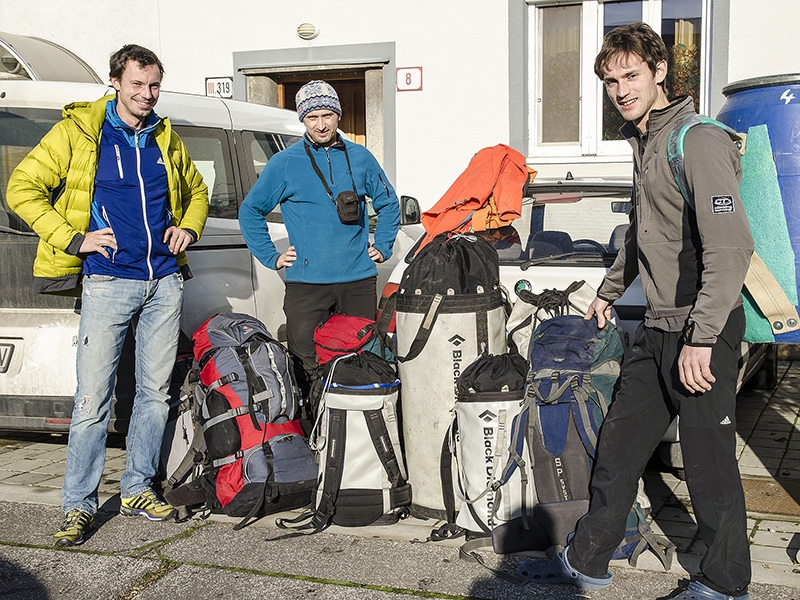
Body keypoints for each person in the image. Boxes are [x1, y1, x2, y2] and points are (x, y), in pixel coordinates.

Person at [520, 23, 753, 600]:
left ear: (659, 74)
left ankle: (725, 585)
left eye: (630, 75)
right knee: (620, 447)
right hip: (655, 327)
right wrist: (608, 289)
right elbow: (643, 236)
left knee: (709, 467)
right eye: (609, 80)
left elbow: (730, 247)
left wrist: (701, 339)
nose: (620, 89)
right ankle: (589, 559)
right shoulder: (645, 141)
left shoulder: (697, 141)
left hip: (701, 332)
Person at [6, 45, 209, 547]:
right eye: (137, 85)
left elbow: (198, 191)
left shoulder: (165, 136)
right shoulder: (80, 132)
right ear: (116, 82)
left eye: (154, 85)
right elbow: (22, 187)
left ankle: (138, 488)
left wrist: (188, 226)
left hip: (164, 280)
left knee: (154, 395)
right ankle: (78, 505)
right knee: (92, 402)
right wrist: (74, 239)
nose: (146, 95)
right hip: (107, 280)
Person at [239, 80, 400, 396]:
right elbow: (250, 211)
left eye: (328, 115)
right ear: (303, 119)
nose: (321, 124)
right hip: (307, 285)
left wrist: (382, 245)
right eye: (313, 118)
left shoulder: (361, 157)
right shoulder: (285, 162)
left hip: (358, 281)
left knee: (362, 359)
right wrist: (272, 256)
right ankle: (313, 431)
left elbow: (389, 203)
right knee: (306, 363)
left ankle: (357, 435)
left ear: (338, 116)